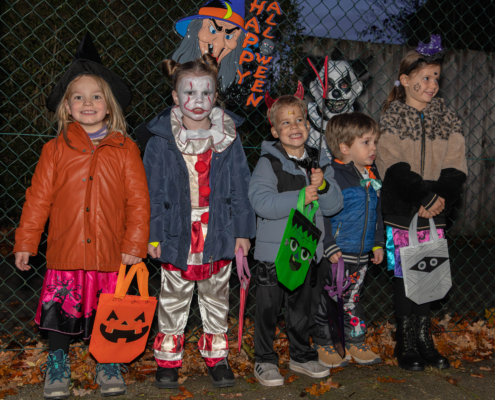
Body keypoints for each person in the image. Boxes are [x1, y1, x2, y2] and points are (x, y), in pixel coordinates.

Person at [13, 33, 150, 399]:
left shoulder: (126, 149)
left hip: (110, 252)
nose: (87, 103)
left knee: (109, 312)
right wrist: (26, 241)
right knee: (60, 314)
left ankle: (108, 360)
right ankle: (58, 362)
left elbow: (139, 201)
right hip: (66, 250)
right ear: (67, 106)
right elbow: (38, 199)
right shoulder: (54, 150)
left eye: (96, 96)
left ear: (109, 105)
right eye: (78, 97)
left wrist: (135, 244)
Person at [140, 54, 256, 389]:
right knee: (173, 297)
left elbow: (241, 186)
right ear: (175, 97)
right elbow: (151, 191)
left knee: (216, 297)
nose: (198, 100)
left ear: (215, 96)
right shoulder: (162, 140)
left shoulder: (228, 137)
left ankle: (217, 357)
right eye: (189, 92)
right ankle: (167, 360)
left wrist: (243, 232)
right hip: (176, 233)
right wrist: (153, 234)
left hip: (219, 232)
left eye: (206, 92)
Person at [377, 35, 467, 371]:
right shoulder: (393, 117)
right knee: (405, 275)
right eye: (425, 78)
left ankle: (424, 340)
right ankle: (405, 342)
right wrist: (423, 195)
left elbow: (456, 164)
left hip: (436, 210)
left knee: (428, 272)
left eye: (436, 78)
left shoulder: (448, 116)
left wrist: (441, 196)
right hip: (404, 209)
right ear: (405, 80)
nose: (432, 85)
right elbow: (391, 163)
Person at [248, 91, 343, 387]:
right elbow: (261, 202)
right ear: (275, 131)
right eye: (285, 123)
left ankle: (301, 355)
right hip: (275, 253)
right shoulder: (269, 163)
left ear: (308, 125)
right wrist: (299, 196)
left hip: (306, 250)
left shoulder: (319, 162)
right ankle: (264, 359)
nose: (294, 126)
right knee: (268, 308)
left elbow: (334, 206)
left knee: (302, 308)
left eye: (299, 120)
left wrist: (323, 187)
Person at [310, 112, 384, 368]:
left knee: (353, 298)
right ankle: (324, 342)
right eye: (366, 142)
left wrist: (377, 242)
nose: (373, 148)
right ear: (344, 147)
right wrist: (328, 243)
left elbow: (377, 213)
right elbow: (322, 212)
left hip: (361, 254)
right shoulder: (334, 176)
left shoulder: (372, 176)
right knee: (328, 299)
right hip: (337, 253)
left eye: (375, 142)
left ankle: (354, 340)